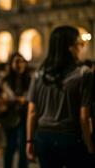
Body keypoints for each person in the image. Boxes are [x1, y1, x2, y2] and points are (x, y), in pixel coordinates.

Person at [26, 26, 93, 168]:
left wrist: (29, 141)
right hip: (71, 138)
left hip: (44, 137)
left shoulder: (39, 74)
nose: (81, 47)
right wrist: (90, 146)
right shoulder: (83, 73)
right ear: (70, 48)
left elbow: (32, 112)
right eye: (78, 44)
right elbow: (84, 117)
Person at [1, 53, 31, 168]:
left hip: (25, 116)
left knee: (24, 147)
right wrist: (19, 99)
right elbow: (5, 97)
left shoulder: (29, 79)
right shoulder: (6, 80)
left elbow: (30, 98)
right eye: (16, 61)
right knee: (10, 146)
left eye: (22, 61)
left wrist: (18, 99)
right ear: (11, 64)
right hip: (10, 117)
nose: (19, 64)